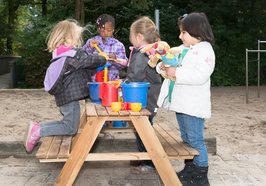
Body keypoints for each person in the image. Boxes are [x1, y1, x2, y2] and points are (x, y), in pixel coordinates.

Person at [24, 19, 106, 153]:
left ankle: (37, 127)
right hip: (70, 98)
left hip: (64, 96)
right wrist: (104, 58)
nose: (78, 40)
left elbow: (83, 67)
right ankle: (39, 130)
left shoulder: (61, 53)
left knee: (67, 123)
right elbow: (89, 60)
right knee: (70, 127)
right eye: (76, 37)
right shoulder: (73, 55)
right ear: (69, 38)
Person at [157, 12, 215, 186]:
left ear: (196, 32)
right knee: (187, 139)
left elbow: (200, 76)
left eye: (183, 33)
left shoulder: (205, 51)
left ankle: (200, 175)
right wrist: (162, 67)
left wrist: (177, 73)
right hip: (183, 104)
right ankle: (190, 168)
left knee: (196, 140)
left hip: (193, 106)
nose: (180, 36)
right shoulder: (184, 49)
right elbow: (170, 64)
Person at [126, 16, 162, 173]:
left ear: (139, 37)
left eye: (131, 35)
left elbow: (135, 77)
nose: (130, 38)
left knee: (144, 130)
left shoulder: (142, 54)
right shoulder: (150, 52)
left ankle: (149, 162)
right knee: (143, 129)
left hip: (145, 99)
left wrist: (123, 83)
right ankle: (144, 158)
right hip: (149, 97)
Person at [83, 14, 128, 81]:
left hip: (111, 83)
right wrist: (90, 47)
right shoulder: (92, 42)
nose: (105, 33)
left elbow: (124, 65)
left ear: (113, 30)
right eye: (102, 30)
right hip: (94, 82)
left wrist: (115, 59)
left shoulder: (118, 45)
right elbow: (82, 58)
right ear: (98, 29)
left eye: (109, 30)